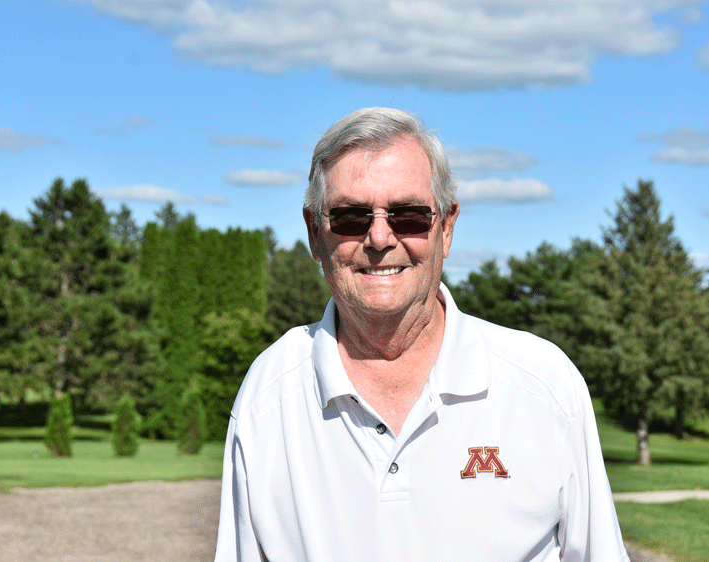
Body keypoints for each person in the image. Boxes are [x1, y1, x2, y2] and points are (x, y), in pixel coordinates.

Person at [213, 107, 630, 562]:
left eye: (407, 215)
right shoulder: (269, 395)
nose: (379, 238)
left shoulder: (544, 385)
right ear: (316, 232)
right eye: (350, 217)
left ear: (446, 228)